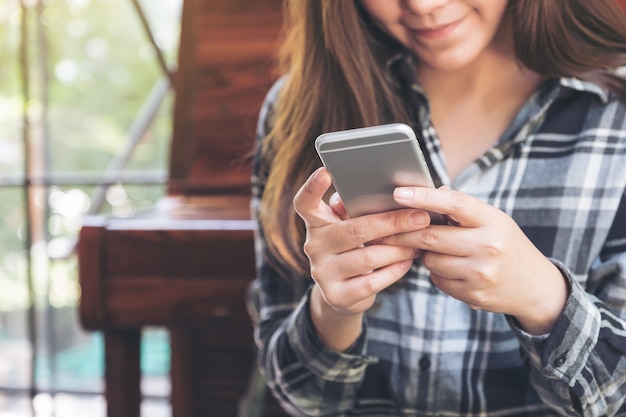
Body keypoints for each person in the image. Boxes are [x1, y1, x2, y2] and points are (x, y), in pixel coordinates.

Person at [247, 0, 626, 416]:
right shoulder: (300, 107)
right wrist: (334, 309)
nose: (424, 6)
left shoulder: (615, 111)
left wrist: (544, 298)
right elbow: (301, 397)